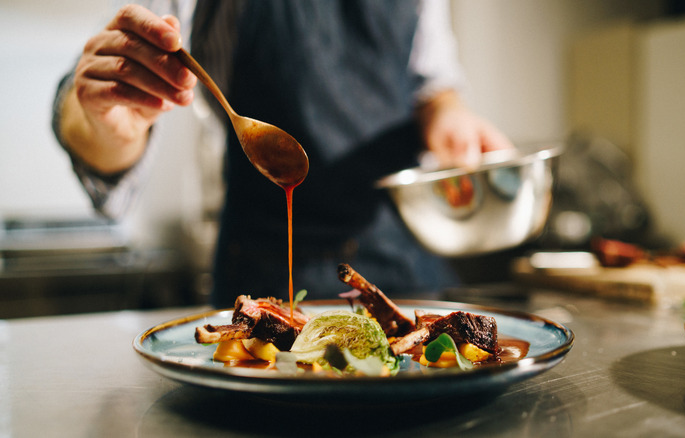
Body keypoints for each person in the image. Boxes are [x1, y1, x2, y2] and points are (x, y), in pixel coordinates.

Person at [52, 0, 514, 307]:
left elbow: (431, 84)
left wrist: (447, 114)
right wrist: (104, 121)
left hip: (404, 270)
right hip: (266, 279)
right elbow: (90, 98)